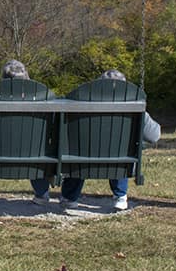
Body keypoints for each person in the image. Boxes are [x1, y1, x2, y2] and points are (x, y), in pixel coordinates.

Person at [59, 69, 161, 211]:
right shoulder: (134, 107)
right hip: (119, 160)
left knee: (77, 149)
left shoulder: (78, 105)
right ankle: (120, 196)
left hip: (80, 158)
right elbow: (154, 136)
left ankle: (69, 197)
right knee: (121, 149)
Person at [0, 60, 60, 207]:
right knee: (41, 150)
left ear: (3, 79)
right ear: (27, 77)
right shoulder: (42, 99)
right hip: (34, 155)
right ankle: (42, 194)